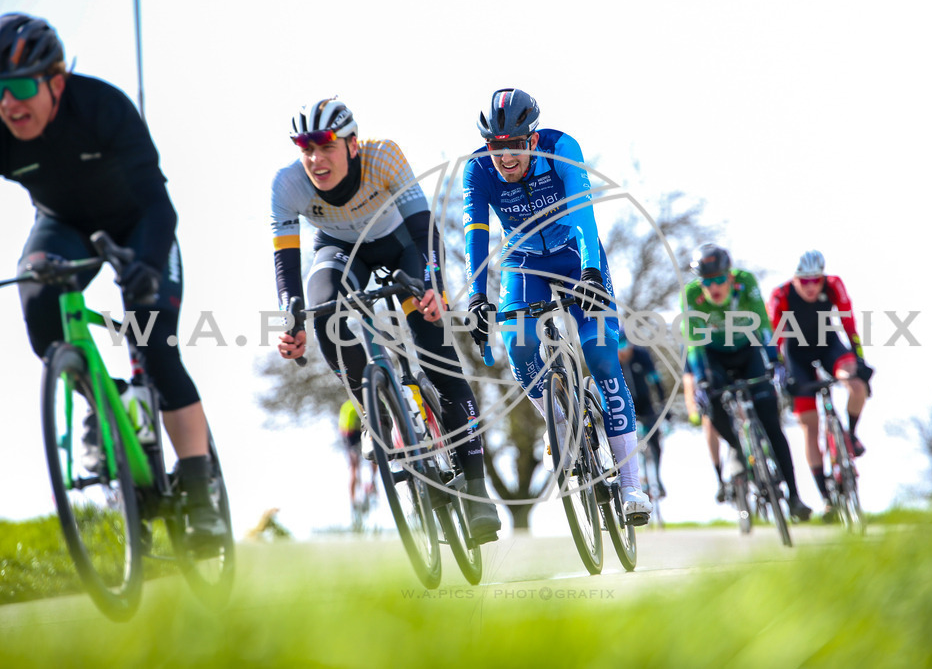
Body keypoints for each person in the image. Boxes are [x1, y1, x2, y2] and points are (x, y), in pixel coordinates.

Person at [0, 13, 226, 546]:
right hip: (63, 227)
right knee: (39, 309)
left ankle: (199, 491)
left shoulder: (102, 107)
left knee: (156, 346)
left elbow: (158, 205)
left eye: (21, 88)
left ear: (56, 82)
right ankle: (105, 404)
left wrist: (147, 264)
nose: (9, 104)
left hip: (138, 227)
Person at [271, 97, 501, 543]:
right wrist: (291, 322)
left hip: (403, 247)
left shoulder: (384, 156)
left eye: (326, 146)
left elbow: (424, 229)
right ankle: (372, 408)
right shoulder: (288, 184)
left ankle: (476, 490)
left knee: (436, 354)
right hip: (340, 252)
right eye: (306, 149)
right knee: (324, 317)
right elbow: (286, 266)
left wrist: (433, 288)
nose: (316, 159)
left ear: (352, 144)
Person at [463, 87, 652, 523]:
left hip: (575, 255)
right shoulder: (478, 170)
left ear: (532, 139)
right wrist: (476, 295)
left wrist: (590, 271)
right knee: (519, 343)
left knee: (601, 356)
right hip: (523, 262)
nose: (505, 157)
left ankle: (631, 485)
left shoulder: (561, 148)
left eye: (515, 145)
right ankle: (559, 423)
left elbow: (583, 214)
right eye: (495, 146)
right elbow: (475, 232)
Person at [681, 243, 812, 520]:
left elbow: (763, 325)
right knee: (713, 407)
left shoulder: (746, 282)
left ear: (730, 276)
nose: (714, 287)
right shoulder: (691, 295)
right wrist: (701, 380)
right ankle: (738, 449)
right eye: (707, 282)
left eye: (719, 279)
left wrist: (774, 361)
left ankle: (794, 497)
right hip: (714, 356)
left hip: (747, 350)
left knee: (772, 423)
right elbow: (694, 343)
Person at [768, 249, 872, 520]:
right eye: (805, 281)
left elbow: (849, 324)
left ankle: (850, 435)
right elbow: (775, 339)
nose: (812, 286)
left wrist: (859, 357)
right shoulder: (780, 295)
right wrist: (781, 372)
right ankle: (827, 499)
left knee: (856, 385)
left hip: (828, 346)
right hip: (797, 356)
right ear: (794, 279)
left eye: (817, 280)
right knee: (809, 425)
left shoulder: (834, 285)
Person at [617, 337, 670, 499]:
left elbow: (656, 380)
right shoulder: (613, 360)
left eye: (626, 347)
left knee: (655, 439)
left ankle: (657, 478)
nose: (624, 353)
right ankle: (634, 479)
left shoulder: (641, 355)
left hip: (645, 403)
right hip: (625, 406)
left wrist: (663, 405)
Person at [682, 355, 727, 502]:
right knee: (708, 424)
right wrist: (692, 409)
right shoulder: (688, 346)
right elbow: (688, 380)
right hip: (708, 389)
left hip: (726, 379)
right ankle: (720, 477)